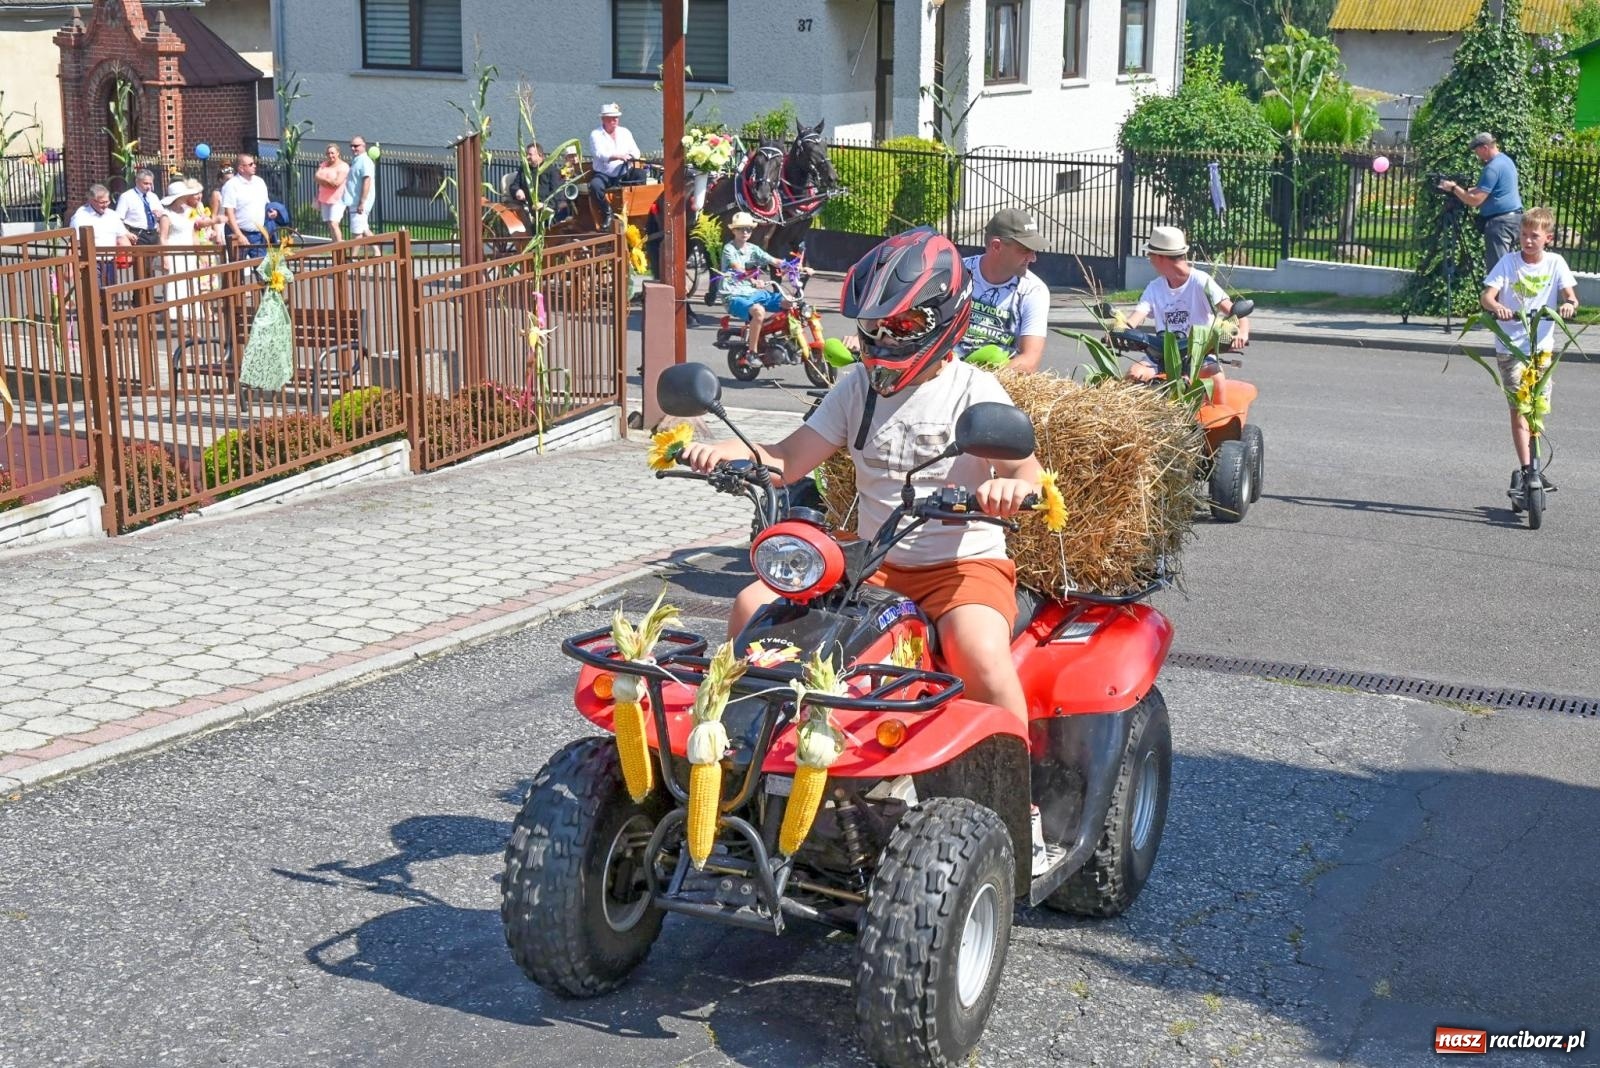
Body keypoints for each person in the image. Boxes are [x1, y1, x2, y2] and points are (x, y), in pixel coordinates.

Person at [681, 229, 1045, 735]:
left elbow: (1027, 472)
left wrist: (1012, 489)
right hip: (870, 564)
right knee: (751, 607)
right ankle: (739, 744)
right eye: (874, 326)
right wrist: (734, 451)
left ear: (946, 318)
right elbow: (789, 458)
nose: (885, 339)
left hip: (961, 568)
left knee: (979, 653)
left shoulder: (974, 389)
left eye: (905, 324)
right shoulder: (857, 387)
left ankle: (1015, 771)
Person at [1478, 206, 1577, 496]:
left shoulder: (1556, 263)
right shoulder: (1509, 263)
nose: (1528, 241)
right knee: (1520, 407)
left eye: (1534, 235)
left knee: (1538, 408)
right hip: (1511, 347)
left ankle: (1535, 466)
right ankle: (1526, 469)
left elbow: (1570, 295)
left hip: (1541, 348)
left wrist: (1568, 304)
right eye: (1523, 235)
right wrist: (1498, 307)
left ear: (1548, 238)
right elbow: (1487, 296)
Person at [1121, 225, 1249, 384]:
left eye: (1150, 254)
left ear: (1161, 257)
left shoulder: (1200, 281)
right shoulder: (1154, 288)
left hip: (1199, 354)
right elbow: (1134, 319)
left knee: (1215, 377)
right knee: (1134, 375)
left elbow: (1236, 312)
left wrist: (1242, 333)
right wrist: (1119, 330)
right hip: (1162, 355)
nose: (1150, 260)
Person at [953, 208, 1051, 372]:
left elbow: (1030, 360)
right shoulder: (957, 272)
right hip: (948, 372)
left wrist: (981, 381)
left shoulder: (1034, 291)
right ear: (996, 246)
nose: (1033, 258)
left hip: (997, 380)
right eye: (1025, 250)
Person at [720, 211, 807, 355]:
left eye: (748, 229)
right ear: (733, 230)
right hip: (734, 295)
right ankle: (752, 353)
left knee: (791, 303)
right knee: (758, 311)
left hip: (753, 292)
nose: (745, 232)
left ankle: (783, 340)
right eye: (740, 229)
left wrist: (795, 267)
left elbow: (773, 261)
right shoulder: (729, 249)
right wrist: (753, 280)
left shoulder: (753, 249)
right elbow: (738, 268)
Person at [1438, 131, 1524, 271]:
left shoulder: (1492, 167)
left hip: (1500, 224)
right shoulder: (1506, 161)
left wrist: (1453, 188)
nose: (1476, 154)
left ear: (1484, 148)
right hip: (1514, 219)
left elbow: (1475, 200)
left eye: (1476, 150)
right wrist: (1464, 190)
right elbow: (1488, 189)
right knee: (1508, 268)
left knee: (1498, 271)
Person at [159, 178, 222, 316]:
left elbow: (199, 225)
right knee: (175, 283)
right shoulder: (166, 215)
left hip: (189, 250)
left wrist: (214, 222)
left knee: (191, 283)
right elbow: (163, 237)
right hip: (174, 250)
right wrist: (165, 257)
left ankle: (191, 317)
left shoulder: (189, 212)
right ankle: (173, 314)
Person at [587, 103, 642, 229]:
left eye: (616, 118)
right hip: (605, 174)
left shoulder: (625, 132)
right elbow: (599, 153)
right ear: (603, 119)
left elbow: (636, 151)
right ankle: (607, 213)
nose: (614, 120)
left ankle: (636, 210)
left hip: (624, 172)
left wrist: (631, 156)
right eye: (611, 118)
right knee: (595, 186)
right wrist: (617, 156)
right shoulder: (595, 134)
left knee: (640, 175)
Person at [68, 183, 133, 284]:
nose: (105, 205)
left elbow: (121, 237)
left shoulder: (112, 215)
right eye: (102, 202)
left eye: (107, 201)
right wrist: (70, 268)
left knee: (110, 290)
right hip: (92, 262)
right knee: (95, 290)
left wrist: (130, 255)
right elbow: (74, 243)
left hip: (110, 262)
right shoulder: (81, 217)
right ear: (92, 200)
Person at [219, 153, 270, 259]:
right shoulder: (231, 185)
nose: (254, 166)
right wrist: (239, 235)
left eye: (254, 163)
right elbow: (229, 213)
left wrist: (271, 212)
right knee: (237, 267)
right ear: (241, 168)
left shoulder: (260, 182)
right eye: (250, 164)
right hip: (238, 233)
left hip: (258, 234)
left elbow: (265, 205)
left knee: (263, 267)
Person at [509, 142, 563, 224]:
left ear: (540, 155)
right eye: (527, 154)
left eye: (530, 154)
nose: (527, 157)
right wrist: (517, 191)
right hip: (527, 209)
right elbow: (514, 186)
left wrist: (544, 205)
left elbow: (557, 193)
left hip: (546, 212)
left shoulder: (552, 171)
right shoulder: (524, 169)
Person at [115, 168, 168, 247]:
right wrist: (127, 233)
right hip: (136, 234)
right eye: (145, 183)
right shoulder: (126, 196)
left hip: (153, 234)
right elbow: (118, 219)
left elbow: (163, 215)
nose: (149, 187)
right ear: (137, 181)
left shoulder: (153, 196)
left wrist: (159, 216)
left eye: (150, 184)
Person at [315, 143, 350, 241]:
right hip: (324, 198)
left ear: (338, 153)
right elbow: (316, 176)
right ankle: (335, 246)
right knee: (330, 224)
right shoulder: (324, 164)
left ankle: (340, 246)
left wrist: (323, 181)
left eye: (332, 153)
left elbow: (336, 183)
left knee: (334, 223)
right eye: (328, 153)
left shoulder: (343, 166)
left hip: (337, 199)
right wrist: (328, 182)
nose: (330, 155)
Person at [345, 135, 376, 238]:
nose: (353, 148)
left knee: (357, 233)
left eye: (356, 146)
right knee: (364, 230)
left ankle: (354, 251)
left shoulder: (364, 161)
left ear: (363, 146)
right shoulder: (357, 160)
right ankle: (377, 248)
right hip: (355, 202)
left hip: (359, 203)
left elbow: (367, 180)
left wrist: (362, 202)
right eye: (351, 146)